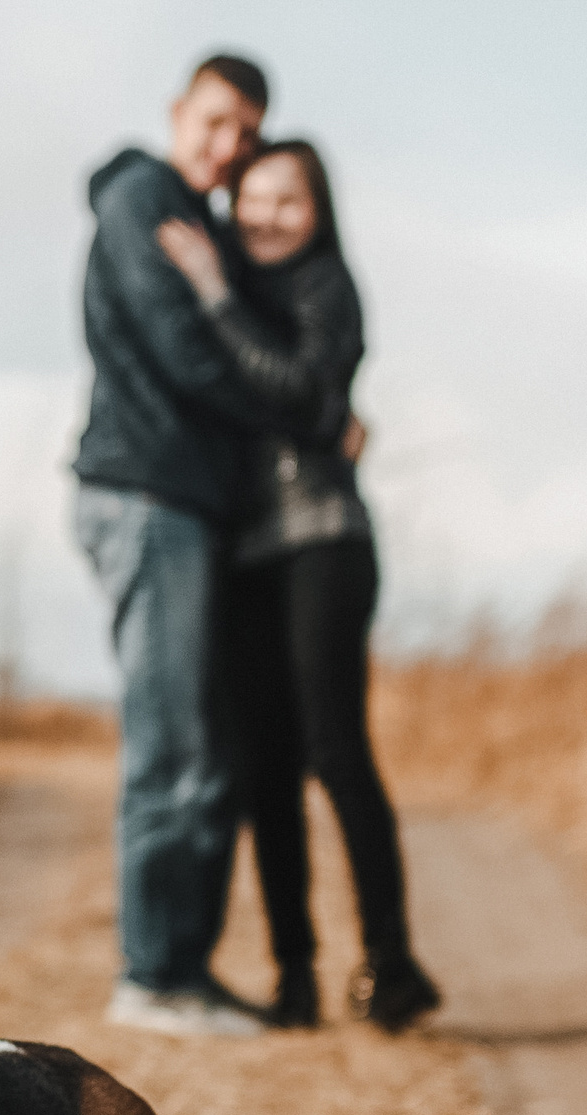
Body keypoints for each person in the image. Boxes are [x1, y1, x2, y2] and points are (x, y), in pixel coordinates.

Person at [153, 139, 444, 1034]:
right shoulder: (235, 289)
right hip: (242, 555)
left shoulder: (325, 288)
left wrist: (212, 295)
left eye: (290, 199)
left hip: (321, 538)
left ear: (317, 213)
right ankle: (295, 978)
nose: (269, 214)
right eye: (255, 196)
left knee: (336, 751)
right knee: (262, 773)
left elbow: (306, 397)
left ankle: (391, 965)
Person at [71, 52, 283, 1039]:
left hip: (180, 499)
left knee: (199, 742)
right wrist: (300, 407)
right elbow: (186, 352)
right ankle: (152, 976)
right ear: (178, 112)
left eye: (245, 132)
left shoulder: (190, 214)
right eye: (216, 121)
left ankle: (183, 974)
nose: (228, 145)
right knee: (170, 744)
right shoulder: (143, 195)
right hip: (146, 494)